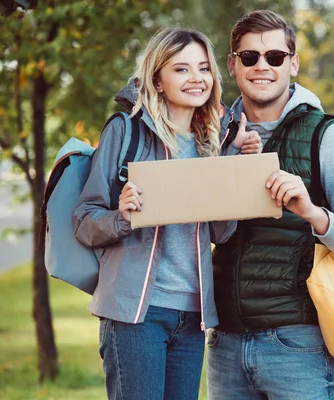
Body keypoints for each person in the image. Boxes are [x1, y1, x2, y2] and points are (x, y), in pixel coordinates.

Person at [73, 27, 260, 400]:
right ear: (157, 80)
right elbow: (84, 220)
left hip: (192, 316)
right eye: (181, 69)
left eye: (204, 69)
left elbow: (220, 233)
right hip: (137, 316)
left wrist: (234, 164)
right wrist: (123, 216)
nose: (197, 79)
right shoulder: (126, 132)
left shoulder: (213, 143)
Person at [206, 10, 334, 399]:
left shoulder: (328, 135)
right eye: (249, 57)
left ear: (293, 63)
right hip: (225, 345)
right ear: (233, 65)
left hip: (298, 344)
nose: (262, 66)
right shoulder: (213, 136)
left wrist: (311, 213)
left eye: (275, 57)